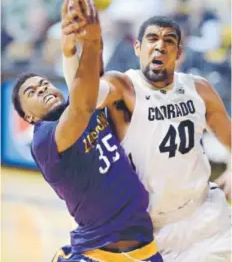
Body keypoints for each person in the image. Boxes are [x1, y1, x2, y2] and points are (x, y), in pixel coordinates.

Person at [63, 15, 231, 261]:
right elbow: (84, 99)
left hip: (205, 215)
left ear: (179, 52)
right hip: (150, 230)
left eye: (169, 40)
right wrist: (71, 52)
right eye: (152, 38)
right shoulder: (123, 87)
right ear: (138, 47)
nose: (160, 45)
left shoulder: (199, 89)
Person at [12, 0, 163, 262]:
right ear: (29, 115)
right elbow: (81, 106)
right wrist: (91, 42)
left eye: (44, 84)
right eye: (32, 92)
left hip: (143, 246)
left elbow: (91, 82)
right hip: (99, 251)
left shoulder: (85, 105)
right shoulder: (44, 139)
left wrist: (73, 43)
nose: (43, 89)